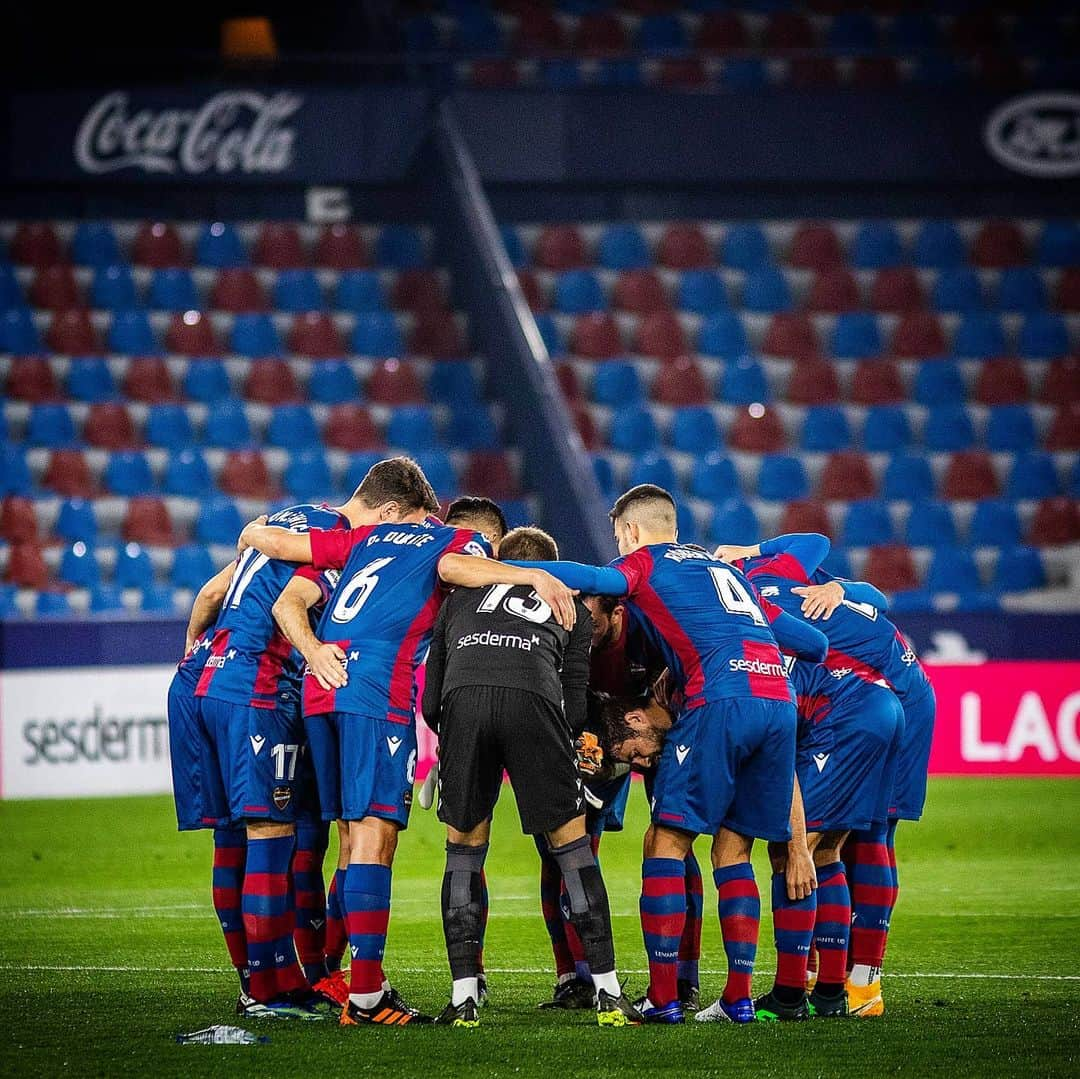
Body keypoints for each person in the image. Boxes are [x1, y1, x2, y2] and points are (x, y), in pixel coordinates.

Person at [238, 494, 578, 1026]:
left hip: (321, 686)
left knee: (351, 839)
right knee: (376, 833)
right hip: (375, 688)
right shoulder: (455, 544)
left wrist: (255, 535)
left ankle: (338, 975)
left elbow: (288, 583)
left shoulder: (366, 540)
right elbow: (453, 566)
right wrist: (529, 576)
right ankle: (367, 997)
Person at [506, 485, 828, 1024]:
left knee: (666, 841)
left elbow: (598, 581)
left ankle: (662, 998)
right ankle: (738, 1000)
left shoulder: (644, 562)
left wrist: (516, 570)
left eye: (618, 538)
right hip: (776, 701)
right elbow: (813, 646)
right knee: (733, 850)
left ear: (630, 531)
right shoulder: (727, 575)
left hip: (719, 699)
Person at [421, 526, 641, 1028]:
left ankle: (464, 998)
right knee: (573, 851)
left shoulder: (457, 602)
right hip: (535, 707)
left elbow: (431, 700)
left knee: (464, 855)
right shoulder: (570, 606)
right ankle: (607, 993)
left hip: (465, 705)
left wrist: (454, 741)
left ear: (498, 560)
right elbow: (577, 705)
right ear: (553, 566)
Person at [718, 536, 935, 1018]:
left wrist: (747, 552)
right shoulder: (783, 575)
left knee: (849, 836)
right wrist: (843, 588)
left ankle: (855, 984)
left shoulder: (749, 604)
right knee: (841, 836)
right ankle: (831, 977)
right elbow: (851, 576)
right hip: (880, 687)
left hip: (883, 691)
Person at [192, 492, 354, 1019]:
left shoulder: (286, 521)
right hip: (259, 687)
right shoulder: (338, 539)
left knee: (234, 835)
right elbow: (289, 606)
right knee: (269, 835)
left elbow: (211, 592)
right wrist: (315, 655)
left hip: (211, 678)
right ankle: (265, 990)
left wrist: (195, 648)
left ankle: (273, 979)